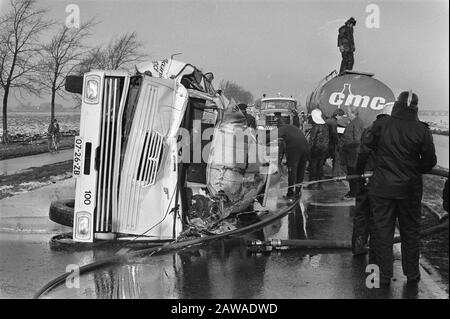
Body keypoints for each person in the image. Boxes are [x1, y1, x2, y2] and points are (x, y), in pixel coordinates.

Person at [358, 91, 437, 286]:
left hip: (382, 188)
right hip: (409, 190)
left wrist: (362, 174)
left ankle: (379, 277)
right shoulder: (422, 130)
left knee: (381, 231)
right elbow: (429, 162)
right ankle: (412, 275)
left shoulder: (381, 124)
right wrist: (412, 168)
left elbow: (365, 148)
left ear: (396, 106)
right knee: (410, 232)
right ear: (416, 108)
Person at [352, 103, 393, 256]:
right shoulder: (394, 132)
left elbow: (363, 153)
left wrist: (359, 173)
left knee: (362, 213)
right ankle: (376, 253)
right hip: (382, 180)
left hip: (366, 177)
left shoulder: (370, 128)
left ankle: (358, 245)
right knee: (379, 216)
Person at [275, 116, 310, 200]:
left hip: (295, 149)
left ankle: (290, 193)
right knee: (301, 170)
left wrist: (258, 139)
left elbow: (270, 136)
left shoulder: (283, 128)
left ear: (279, 124)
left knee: (292, 170)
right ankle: (297, 192)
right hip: (306, 148)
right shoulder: (294, 128)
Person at [340, 106, 364, 199]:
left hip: (353, 154)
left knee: (352, 174)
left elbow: (358, 139)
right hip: (351, 153)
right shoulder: (354, 122)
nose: (347, 114)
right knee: (351, 174)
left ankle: (354, 193)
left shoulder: (356, 123)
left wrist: (347, 145)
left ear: (353, 113)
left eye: (348, 112)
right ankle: (353, 191)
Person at [308, 109, 329, 189]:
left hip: (315, 151)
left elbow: (312, 140)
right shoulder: (325, 126)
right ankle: (320, 184)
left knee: (313, 168)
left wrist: (309, 151)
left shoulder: (315, 126)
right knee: (320, 168)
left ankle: (312, 184)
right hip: (323, 150)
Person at [326, 108, 346, 177]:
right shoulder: (334, 123)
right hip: (331, 143)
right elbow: (334, 134)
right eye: (341, 116)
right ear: (337, 115)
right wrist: (338, 142)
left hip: (325, 142)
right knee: (336, 158)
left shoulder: (327, 120)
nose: (341, 118)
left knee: (322, 159)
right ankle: (335, 175)